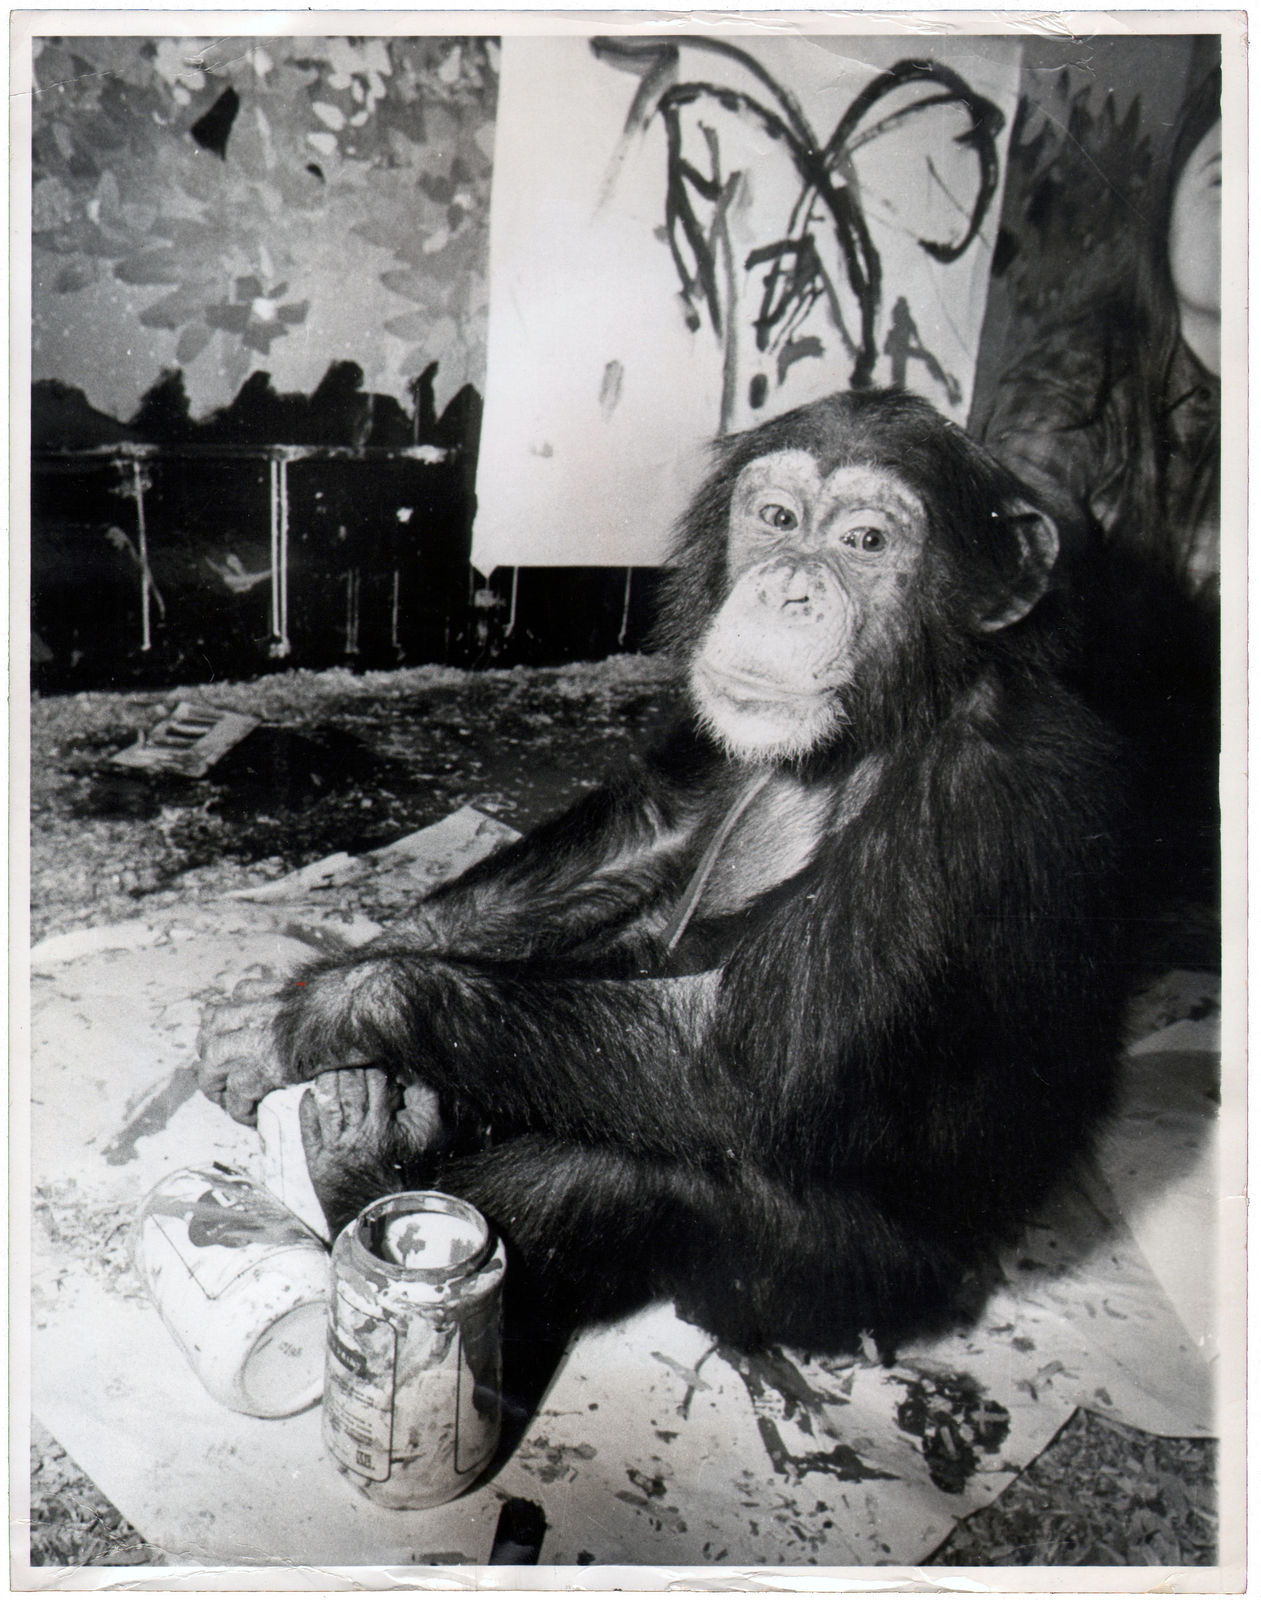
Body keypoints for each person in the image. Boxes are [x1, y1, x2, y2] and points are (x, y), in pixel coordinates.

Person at [978, 68, 1222, 926]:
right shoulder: (1083, 372)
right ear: (1165, 214)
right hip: (1089, 828)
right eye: (1231, 178)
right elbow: (1027, 518)